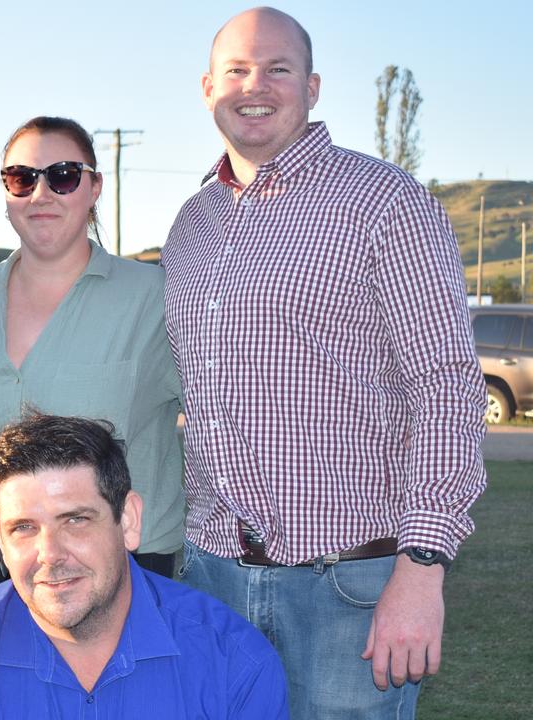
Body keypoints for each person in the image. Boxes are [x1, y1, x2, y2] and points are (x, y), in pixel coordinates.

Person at [162, 8, 488, 719]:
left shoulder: (384, 202)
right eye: (238, 70)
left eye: (277, 69)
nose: (257, 85)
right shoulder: (192, 224)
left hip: (351, 587)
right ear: (207, 87)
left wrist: (422, 567)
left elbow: (446, 386)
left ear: (310, 86)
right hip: (214, 578)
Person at [0, 116, 184, 602]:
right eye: (22, 177)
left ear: (94, 187)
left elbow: (222, 419)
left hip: (122, 569)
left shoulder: (155, 296)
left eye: (64, 175)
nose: (41, 193)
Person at [0, 413, 287, 719]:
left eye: (75, 520)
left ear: (129, 521)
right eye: (23, 528)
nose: (49, 553)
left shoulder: (233, 661)